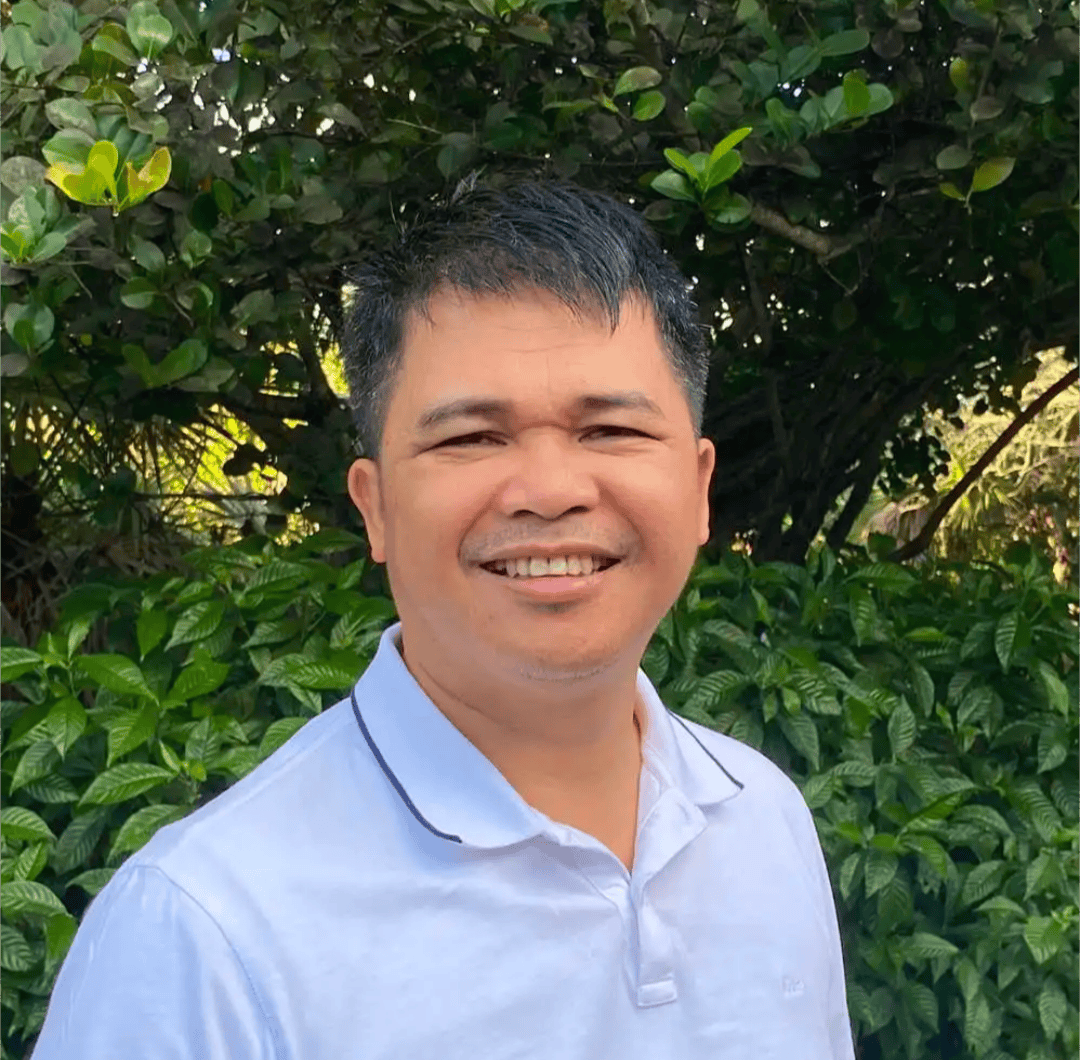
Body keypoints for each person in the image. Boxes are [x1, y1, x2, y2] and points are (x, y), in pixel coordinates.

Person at [30, 178, 856, 1059]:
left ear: (697, 488)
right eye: (471, 438)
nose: (550, 491)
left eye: (611, 430)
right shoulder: (200, 934)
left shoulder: (764, 819)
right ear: (376, 506)